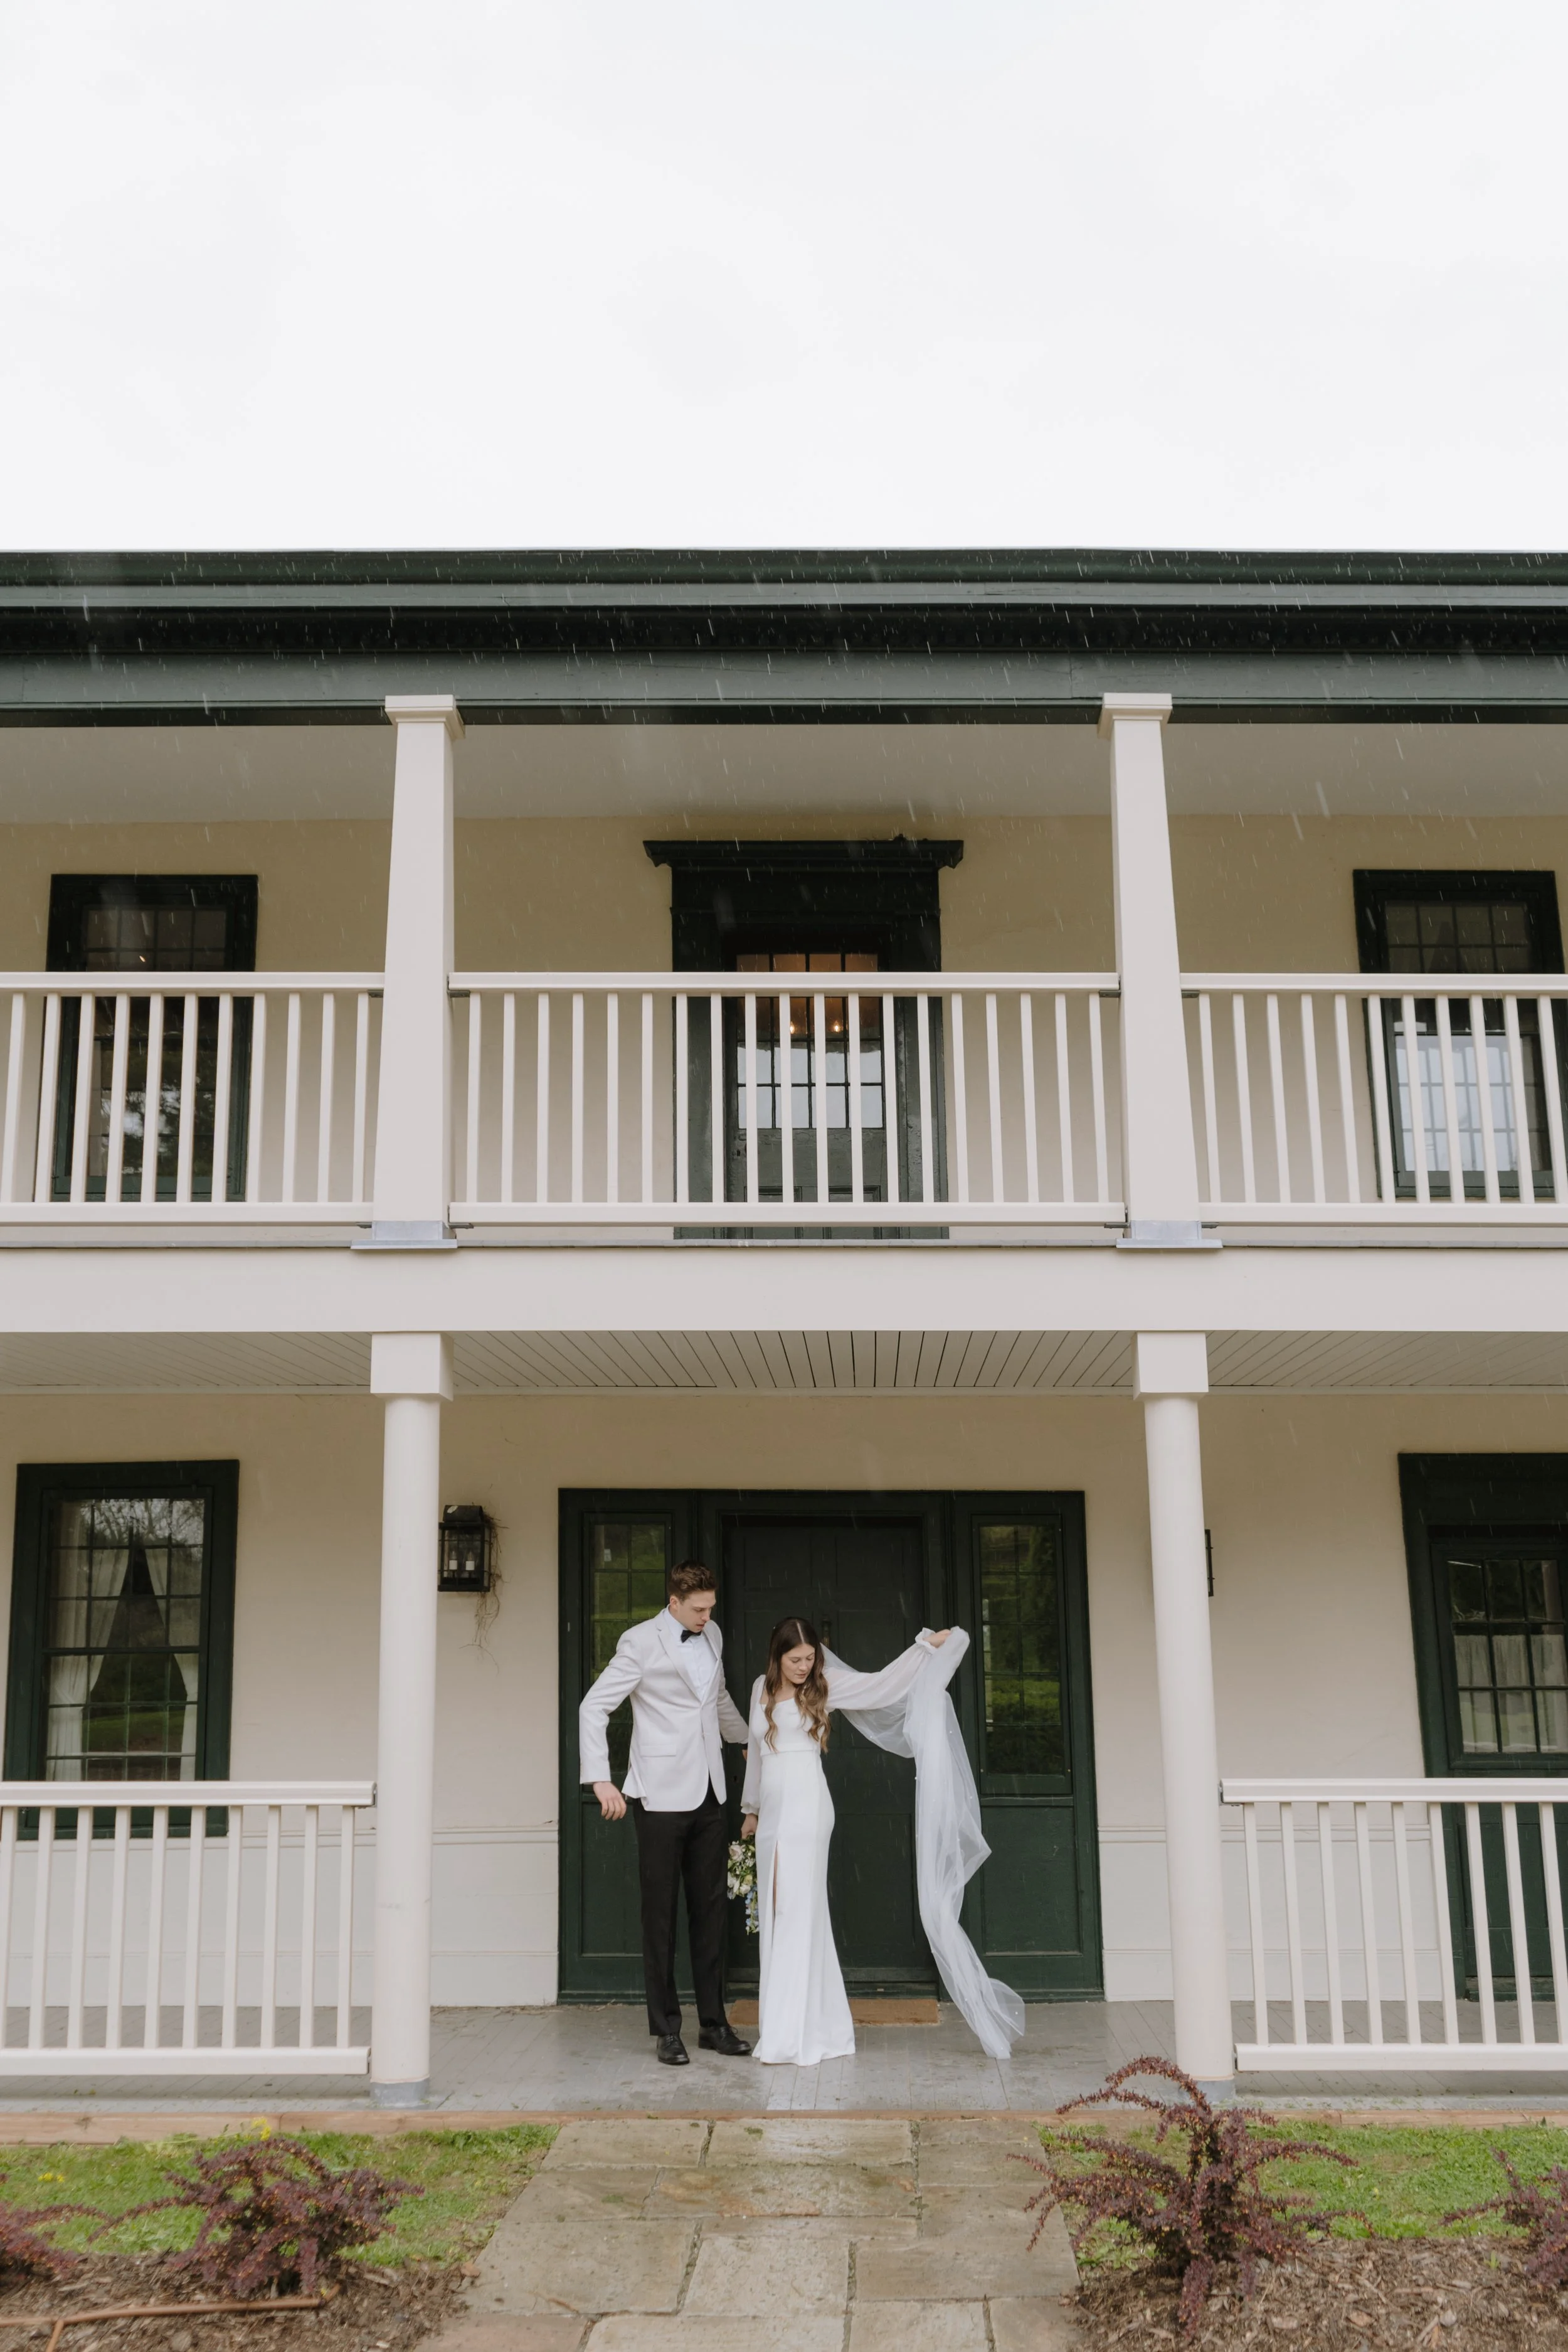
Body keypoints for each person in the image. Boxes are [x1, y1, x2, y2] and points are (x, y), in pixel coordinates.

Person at [739, 1614, 952, 2067]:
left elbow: (883, 1685)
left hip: (808, 1805)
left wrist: (924, 1648)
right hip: (774, 1813)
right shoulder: (760, 1685)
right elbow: (756, 1755)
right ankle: (786, 2024)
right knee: (778, 1912)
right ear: (776, 1657)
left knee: (798, 1911)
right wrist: (750, 1810)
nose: (803, 1666)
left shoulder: (824, 1685)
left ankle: (799, 2032)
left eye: (810, 1657)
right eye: (795, 1659)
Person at [578, 1560, 754, 2067]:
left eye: (711, 1607)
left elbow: (715, 1698)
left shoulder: (713, 1634)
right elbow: (594, 1706)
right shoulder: (638, 1642)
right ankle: (667, 2029)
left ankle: (714, 2024)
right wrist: (601, 1777)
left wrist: (744, 1739)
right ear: (673, 1602)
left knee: (712, 1911)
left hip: (710, 1794)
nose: (706, 1615)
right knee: (659, 1915)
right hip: (657, 1796)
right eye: (698, 1608)